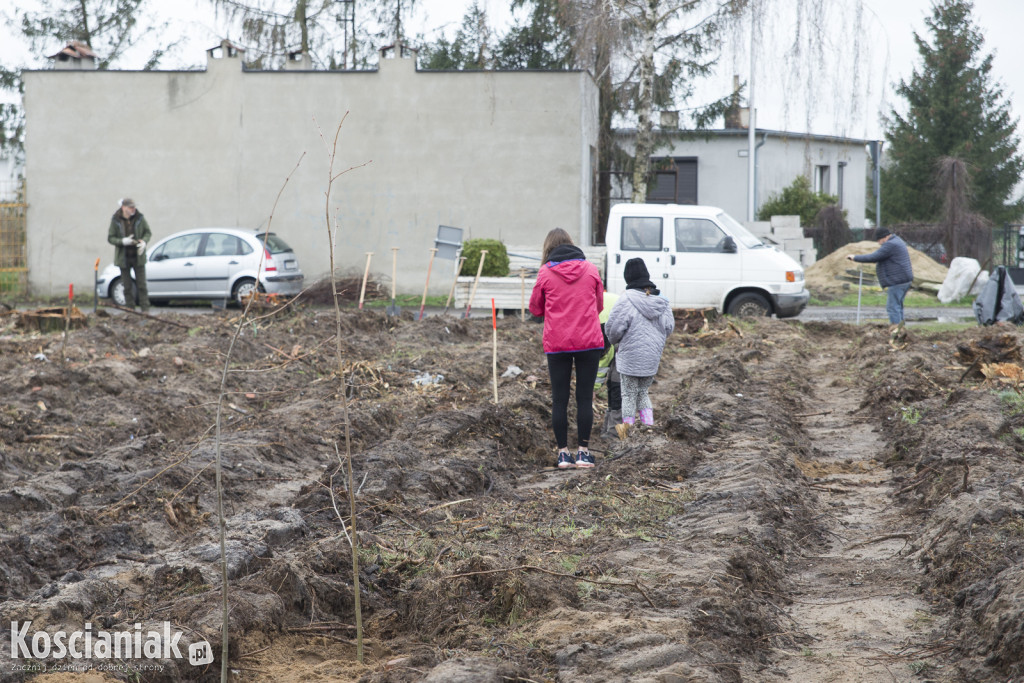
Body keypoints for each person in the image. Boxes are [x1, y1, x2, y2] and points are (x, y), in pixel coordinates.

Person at [529, 228, 605, 469]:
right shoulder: (591, 270)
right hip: (589, 341)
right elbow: (599, 305)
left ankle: (563, 454)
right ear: (572, 245)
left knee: (559, 399)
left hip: (558, 343)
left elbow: (535, 309)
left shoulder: (545, 273)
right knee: (584, 398)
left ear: (548, 249)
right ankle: (583, 452)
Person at [605, 258, 675, 438]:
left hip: (629, 358)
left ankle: (627, 433)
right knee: (643, 393)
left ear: (627, 277)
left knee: (628, 395)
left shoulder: (626, 300)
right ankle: (647, 429)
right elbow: (669, 328)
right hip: (651, 358)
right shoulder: (662, 301)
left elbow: (613, 331)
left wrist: (616, 342)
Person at [846, 227, 913, 334]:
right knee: (898, 306)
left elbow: (874, 257)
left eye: (879, 240)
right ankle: (901, 330)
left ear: (885, 237)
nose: (879, 243)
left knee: (892, 307)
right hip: (903, 279)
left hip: (897, 281)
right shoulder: (897, 241)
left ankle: (896, 332)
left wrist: (855, 257)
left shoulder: (891, 244)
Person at [107, 198, 152, 312]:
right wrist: (122, 241)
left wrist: (144, 242)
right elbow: (111, 238)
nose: (133, 209)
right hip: (124, 258)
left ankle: (145, 310)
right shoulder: (116, 220)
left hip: (138, 257)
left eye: (134, 207)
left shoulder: (139, 218)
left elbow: (148, 232)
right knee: (127, 287)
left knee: (142, 286)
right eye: (130, 207)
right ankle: (130, 311)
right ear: (124, 208)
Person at [594, 291, 622, 438]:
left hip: (628, 348)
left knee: (619, 388)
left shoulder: (599, 327)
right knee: (615, 386)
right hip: (637, 346)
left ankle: (617, 436)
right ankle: (609, 430)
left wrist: (593, 388)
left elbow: (603, 358)